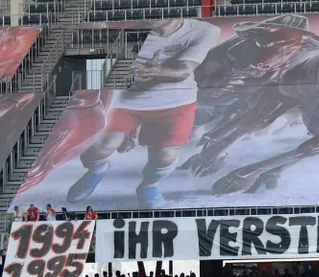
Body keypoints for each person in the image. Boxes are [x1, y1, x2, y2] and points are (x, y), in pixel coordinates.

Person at [69, 18, 220, 208]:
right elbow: (90, 67)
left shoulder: (204, 30)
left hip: (175, 101)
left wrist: (157, 71)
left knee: (164, 155)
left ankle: (149, 185)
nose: (144, 16)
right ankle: (96, 171)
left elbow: (183, 71)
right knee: (99, 147)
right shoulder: (121, 29)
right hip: (123, 100)